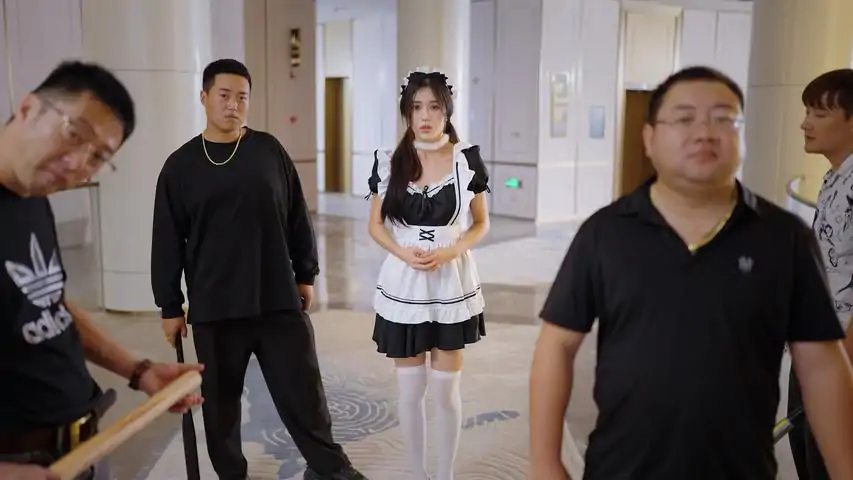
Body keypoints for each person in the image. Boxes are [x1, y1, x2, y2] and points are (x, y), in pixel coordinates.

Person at [527, 66, 853, 480]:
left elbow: (821, 365)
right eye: (684, 119)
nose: (704, 133)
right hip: (620, 468)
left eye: (723, 119)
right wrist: (545, 463)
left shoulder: (784, 238)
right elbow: (556, 345)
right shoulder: (605, 233)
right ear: (649, 138)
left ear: (742, 137)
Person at [151, 59, 367, 480]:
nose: (233, 105)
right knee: (221, 404)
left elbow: (297, 216)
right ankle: (232, 475)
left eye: (242, 97)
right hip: (216, 306)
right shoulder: (180, 166)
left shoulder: (269, 151)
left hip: (276, 295)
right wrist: (169, 306)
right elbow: (166, 240)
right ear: (204, 98)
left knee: (303, 390)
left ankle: (330, 468)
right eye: (224, 96)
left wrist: (305, 273)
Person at [0, 61, 204, 480]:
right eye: (74, 134)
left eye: (98, 157)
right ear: (27, 108)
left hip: (78, 449)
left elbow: (47, 305)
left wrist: (139, 370)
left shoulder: (32, 196)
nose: (78, 162)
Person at [366, 68, 490, 480]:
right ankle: (417, 474)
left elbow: (480, 223)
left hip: (451, 281)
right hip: (404, 284)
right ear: (406, 112)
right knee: (410, 391)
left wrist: (451, 250)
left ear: (447, 111)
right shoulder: (389, 161)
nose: (425, 115)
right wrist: (403, 253)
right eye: (417, 107)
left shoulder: (466, 159)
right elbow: (375, 225)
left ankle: (445, 474)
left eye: (434, 106)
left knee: (444, 390)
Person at [788, 68, 853, 480]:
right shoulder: (835, 177)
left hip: (842, 353)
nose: (805, 123)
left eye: (820, 114)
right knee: (808, 455)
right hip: (818, 344)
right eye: (807, 111)